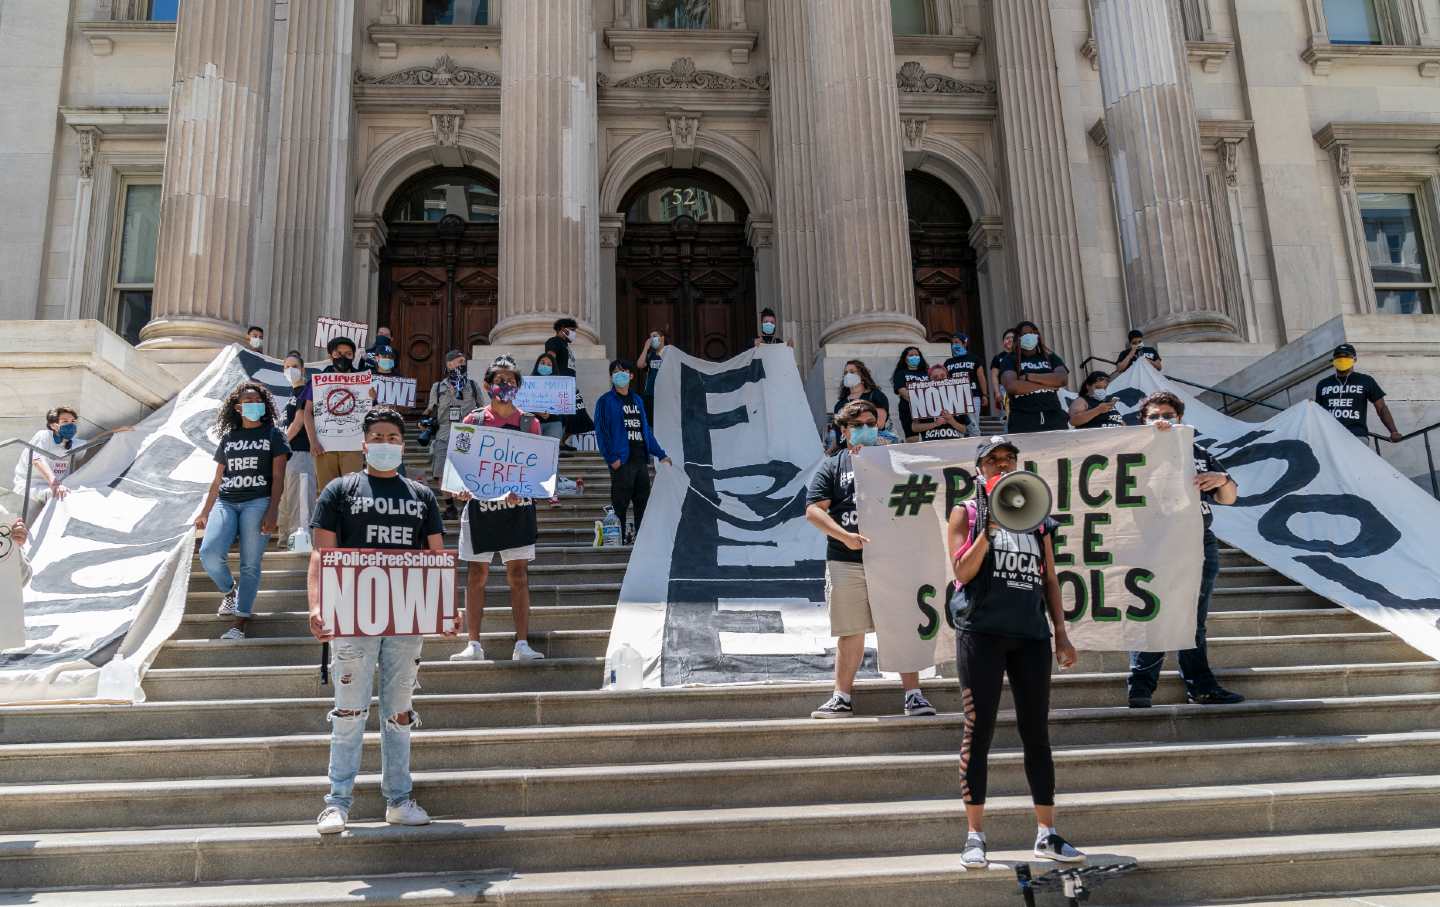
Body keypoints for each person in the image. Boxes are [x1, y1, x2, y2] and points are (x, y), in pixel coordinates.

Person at [308, 407, 445, 835]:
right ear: (364, 443)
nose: (385, 443)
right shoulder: (339, 490)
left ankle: (399, 798)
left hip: (406, 616)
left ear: (402, 446)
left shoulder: (421, 495)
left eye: (393, 437)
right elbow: (321, 554)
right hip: (352, 614)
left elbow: (436, 556)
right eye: (378, 437)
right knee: (348, 711)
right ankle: (337, 801)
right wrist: (316, 604)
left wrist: (445, 604)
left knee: (399, 711)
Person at [948, 436, 1083, 868]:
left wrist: (1060, 632)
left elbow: (1048, 578)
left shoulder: (1037, 519)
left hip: (1030, 636)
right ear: (979, 470)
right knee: (979, 729)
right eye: (994, 461)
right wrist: (987, 529)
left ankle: (1047, 832)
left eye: (1010, 459)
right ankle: (974, 835)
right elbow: (962, 571)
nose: (1003, 466)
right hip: (981, 634)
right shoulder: (965, 513)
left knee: (1036, 733)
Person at [805, 400, 936, 720]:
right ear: (845, 431)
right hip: (846, 559)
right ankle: (841, 697)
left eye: (871, 422)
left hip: (892, 558)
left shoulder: (894, 460)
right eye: (859, 424)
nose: (867, 428)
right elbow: (813, 510)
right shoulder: (831, 466)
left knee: (901, 625)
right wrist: (843, 535)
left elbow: (919, 499)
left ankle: (913, 695)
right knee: (850, 630)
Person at [1127, 391, 1246, 708]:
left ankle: (1200, 686)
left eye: (1168, 414)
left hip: (1198, 540)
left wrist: (1221, 478)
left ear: (1181, 418)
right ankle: (1140, 686)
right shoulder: (1133, 453)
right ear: (1143, 421)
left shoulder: (1199, 452)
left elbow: (1228, 498)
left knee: (1193, 619)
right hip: (1155, 540)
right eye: (1154, 416)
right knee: (1153, 613)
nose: (1162, 420)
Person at [450, 357, 546, 663]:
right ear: (489, 385)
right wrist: (460, 487)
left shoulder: (530, 423)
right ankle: (473, 644)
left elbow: (537, 468)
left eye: (512, 382)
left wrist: (527, 488)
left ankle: (522, 644)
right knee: (476, 574)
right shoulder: (472, 422)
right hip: (480, 508)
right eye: (500, 381)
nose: (506, 386)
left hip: (517, 509)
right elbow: (457, 467)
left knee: (518, 575)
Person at [196, 382, 289, 641]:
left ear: (265, 405)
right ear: (238, 408)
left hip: (257, 502)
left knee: (250, 564)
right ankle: (229, 591)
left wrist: (273, 512)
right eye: (247, 401)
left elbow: (278, 476)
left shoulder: (274, 435)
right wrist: (205, 511)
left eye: (256, 400)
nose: (252, 404)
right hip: (226, 501)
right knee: (209, 553)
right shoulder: (228, 438)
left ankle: (240, 622)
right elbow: (217, 480)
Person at [595, 359, 671, 543]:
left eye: (622, 371)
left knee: (642, 503)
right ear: (611, 377)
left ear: (631, 375)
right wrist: (612, 458)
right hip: (622, 460)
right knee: (620, 504)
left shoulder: (637, 400)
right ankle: (618, 541)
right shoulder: (605, 401)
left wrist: (660, 454)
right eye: (614, 372)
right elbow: (601, 432)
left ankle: (641, 542)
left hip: (640, 458)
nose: (618, 375)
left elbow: (645, 430)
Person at [424, 349, 482, 519]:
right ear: (449, 364)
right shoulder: (437, 387)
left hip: (467, 435)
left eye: (463, 362)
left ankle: (466, 504)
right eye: (459, 361)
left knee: (466, 471)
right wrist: (424, 419)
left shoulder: (472, 385)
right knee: (441, 473)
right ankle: (450, 507)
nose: (462, 365)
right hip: (444, 434)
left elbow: (481, 408)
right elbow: (431, 408)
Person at [312, 336, 371, 493]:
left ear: (353, 356)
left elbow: (371, 412)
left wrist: (373, 397)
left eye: (348, 354)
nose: (343, 357)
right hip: (324, 446)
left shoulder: (364, 379)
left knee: (352, 491)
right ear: (331, 355)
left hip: (353, 445)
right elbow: (306, 412)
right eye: (339, 353)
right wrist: (313, 441)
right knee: (327, 492)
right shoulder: (317, 380)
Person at [1315, 343, 1401, 443]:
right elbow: (1317, 412)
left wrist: (1393, 431)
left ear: (1354, 359)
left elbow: (1381, 408)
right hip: (1328, 437)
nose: (1342, 359)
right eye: (1338, 356)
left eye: (1346, 356)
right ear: (1333, 360)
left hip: (1357, 435)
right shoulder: (1323, 384)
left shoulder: (1365, 381)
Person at [278, 352, 321, 549]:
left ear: (302, 369)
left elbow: (297, 424)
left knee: (302, 499)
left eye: (294, 366)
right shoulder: (291, 395)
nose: (290, 370)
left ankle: (301, 540)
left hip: (302, 452)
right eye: (286, 367)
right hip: (289, 454)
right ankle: (286, 538)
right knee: (288, 498)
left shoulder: (306, 391)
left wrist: (280, 444)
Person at [999, 321, 1069, 434]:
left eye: (1031, 333)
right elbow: (1013, 387)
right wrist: (1049, 384)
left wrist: (1028, 376)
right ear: (1018, 338)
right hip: (1023, 419)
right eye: (1024, 334)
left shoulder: (1050, 357)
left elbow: (1062, 379)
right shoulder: (1010, 360)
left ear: (1037, 335)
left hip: (1054, 417)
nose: (1028, 336)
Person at [13, 406, 83, 519]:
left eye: (73, 421)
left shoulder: (73, 443)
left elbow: (96, 441)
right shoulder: (44, 436)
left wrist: (117, 431)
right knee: (61, 496)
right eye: (65, 421)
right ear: (53, 425)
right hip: (31, 487)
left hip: (54, 488)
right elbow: (37, 459)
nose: (70, 425)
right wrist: (55, 484)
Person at [544, 317, 596, 448]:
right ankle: (559, 442)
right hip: (561, 385)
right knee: (564, 416)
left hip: (570, 385)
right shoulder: (554, 341)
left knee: (580, 417)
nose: (574, 333)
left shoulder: (565, 345)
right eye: (572, 330)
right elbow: (550, 358)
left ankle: (561, 441)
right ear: (562, 330)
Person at [828, 360, 890, 453]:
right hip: (846, 452)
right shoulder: (840, 404)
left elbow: (879, 424)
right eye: (846, 373)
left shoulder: (876, 396)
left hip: (872, 449)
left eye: (852, 372)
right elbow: (839, 434)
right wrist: (828, 453)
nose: (848, 375)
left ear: (862, 375)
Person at [943, 332, 988, 437]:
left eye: (957, 342)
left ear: (964, 344)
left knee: (973, 424)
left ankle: (976, 442)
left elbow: (981, 377)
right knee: (959, 424)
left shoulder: (974, 359)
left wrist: (985, 395)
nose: (954, 345)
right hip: (955, 397)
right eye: (952, 343)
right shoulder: (948, 362)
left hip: (973, 395)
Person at [910, 364, 968, 441]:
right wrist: (935, 424)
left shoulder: (958, 397)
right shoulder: (920, 398)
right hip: (929, 444)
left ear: (948, 377)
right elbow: (914, 427)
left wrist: (951, 421)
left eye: (942, 376)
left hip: (953, 444)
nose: (939, 379)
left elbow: (964, 429)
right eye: (935, 377)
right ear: (929, 380)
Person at [891, 346, 931, 441]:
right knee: (912, 439)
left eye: (917, 355)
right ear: (905, 358)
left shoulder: (927, 373)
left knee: (929, 437)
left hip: (928, 410)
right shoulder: (901, 373)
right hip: (908, 410)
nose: (914, 357)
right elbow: (903, 392)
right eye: (911, 355)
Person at [531, 352, 566, 440]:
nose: (545, 366)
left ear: (553, 368)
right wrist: (537, 412)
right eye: (542, 363)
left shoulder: (561, 385)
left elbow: (564, 406)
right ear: (537, 365)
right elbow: (521, 405)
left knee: (550, 451)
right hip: (532, 422)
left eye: (549, 364)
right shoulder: (528, 383)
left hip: (554, 423)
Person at [637, 329, 667, 418]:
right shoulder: (650, 355)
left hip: (665, 394)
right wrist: (646, 348)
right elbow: (640, 365)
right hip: (650, 394)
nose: (651, 339)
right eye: (650, 337)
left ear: (662, 338)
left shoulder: (668, 353)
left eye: (654, 336)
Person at [989, 329, 1016, 418]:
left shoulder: (1021, 356)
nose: (1010, 340)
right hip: (1004, 389)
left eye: (1012, 337)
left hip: (1020, 386)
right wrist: (997, 392)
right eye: (1007, 338)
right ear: (1003, 342)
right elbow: (994, 376)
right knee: (1007, 416)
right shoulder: (998, 357)